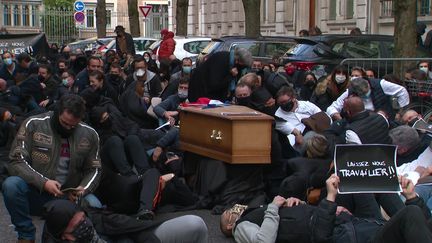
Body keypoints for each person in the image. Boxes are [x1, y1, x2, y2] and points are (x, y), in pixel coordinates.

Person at [2, 94, 102, 242]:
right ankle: (26, 234)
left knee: (95, 205)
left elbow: (94, 169)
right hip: (37, 191)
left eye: (73, 126)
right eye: (65, 123)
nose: (68, 128)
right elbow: (17, 161)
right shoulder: (33, 124)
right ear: (57, 112)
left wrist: (83, 188)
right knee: (11, 185)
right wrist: (44, 183)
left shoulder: (90, 134)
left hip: (70, 195)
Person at [312, 174, 432, 243]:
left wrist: (411, 196)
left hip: (367, 229)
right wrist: (330, 199)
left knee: (411, 211)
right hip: (365, 232)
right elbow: (320, 238)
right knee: (410, 212)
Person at [326, 77, 409, 121]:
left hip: (385, 119)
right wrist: (338, 117)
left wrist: (400, 112)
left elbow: (402, 91)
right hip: (360, 121)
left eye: (367, 91)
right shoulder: (350, 92)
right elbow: (332, 108)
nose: (366, 95)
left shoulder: (380, 84)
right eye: (362, 94)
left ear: (368, 85)